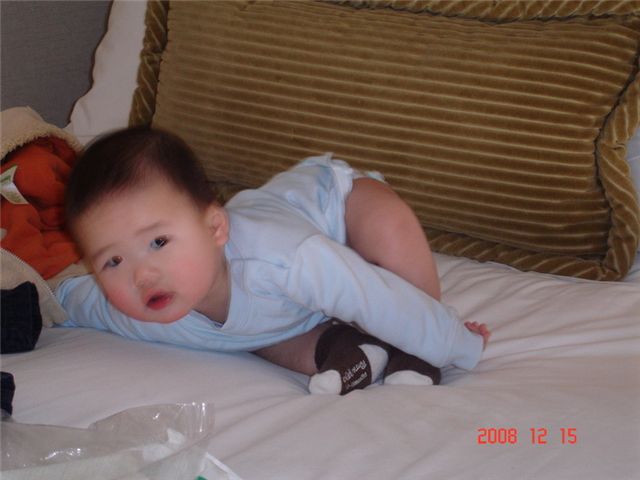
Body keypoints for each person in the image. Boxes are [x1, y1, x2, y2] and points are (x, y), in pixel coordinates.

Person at [57, 127, 490, 394]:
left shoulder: (285, 257)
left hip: (337, 208)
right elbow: (70, 301)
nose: (141, 274)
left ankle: (418, 350)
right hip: (285, 303)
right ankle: (351, 347)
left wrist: (456, 342)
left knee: (388, 229)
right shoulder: (129, 312)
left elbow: (373, 297)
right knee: (256, 336)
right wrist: (43, 301)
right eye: (113, 261)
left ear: (215, 229)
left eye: (158, 242)